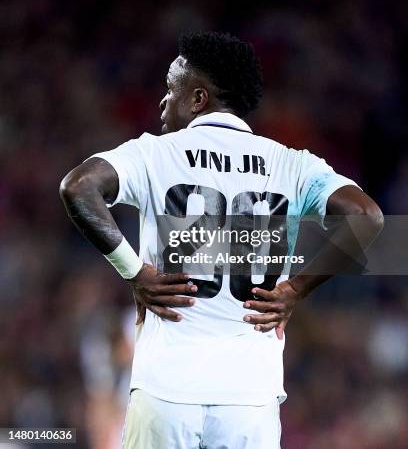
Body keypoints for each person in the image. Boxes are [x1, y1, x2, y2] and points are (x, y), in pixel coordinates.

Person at [60, 31, 383, 448]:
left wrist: (135, 272)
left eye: (170, 89)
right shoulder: (292, 164)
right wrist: (297, 290)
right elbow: (367, 217)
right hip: (249, 398)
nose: (161, 102)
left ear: (198, 99)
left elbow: (77, 186)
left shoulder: (155, 153)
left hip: (166, 390)